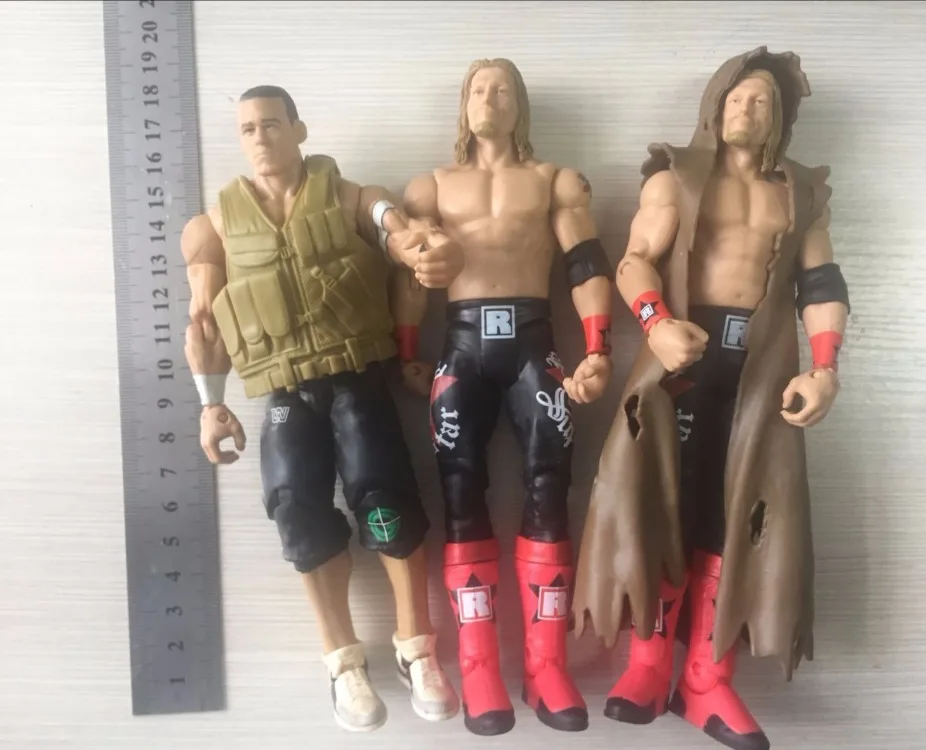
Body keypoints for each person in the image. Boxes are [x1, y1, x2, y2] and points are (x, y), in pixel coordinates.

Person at [571, 47, 851, 750]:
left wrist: (824, 369)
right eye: (735, 98)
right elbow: (634, 260)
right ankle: (648, 662)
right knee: (660, 503)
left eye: (761, 101)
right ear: (714, 106)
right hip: (682, 357)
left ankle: (706, 676)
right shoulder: (677, 178)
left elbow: (821, 283)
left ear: (779, 117)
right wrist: (655, 324)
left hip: (761, 369)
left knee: (740, 518)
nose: (745, 109)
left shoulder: (801, 194)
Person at [179, 85, 463, 733]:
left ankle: (416, 647)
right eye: (248, 128)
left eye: (271, 124)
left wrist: (413, 244)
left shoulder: (346, 196)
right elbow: (206, 320)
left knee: (387, 501)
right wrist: (209, 404)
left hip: (357, 378)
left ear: (298, 129)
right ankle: (342, 661)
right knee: (296, 513)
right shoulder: (215, 227)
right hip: (284, 392)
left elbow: (390, 223)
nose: (260, 137)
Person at [391, 58, 615, 736]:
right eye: (479, 89)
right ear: (464, 104)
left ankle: (546, 667)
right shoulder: (430, 187)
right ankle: (479, 667)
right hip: (460, 343)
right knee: (459, 491)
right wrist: (407, 350)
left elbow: (585, 264)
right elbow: (412, 276)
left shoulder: (553, 181)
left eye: (503, 90)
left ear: (521, 106)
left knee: (552, 485)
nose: (490, 99)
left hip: (533, 343)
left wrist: (598, 348)